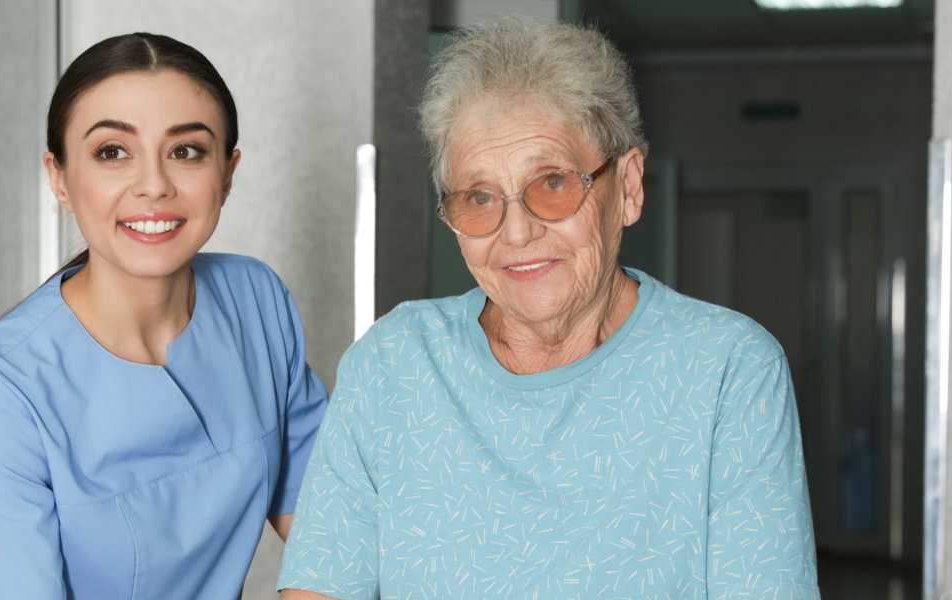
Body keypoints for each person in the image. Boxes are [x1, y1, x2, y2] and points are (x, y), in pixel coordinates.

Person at [278, 19, 819, 599]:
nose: (516, 232)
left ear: (629, 186)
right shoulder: (392, 364)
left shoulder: (729, 370)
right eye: (480, 198)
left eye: (553, 183)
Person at [0, 32, 328, 599]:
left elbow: (330, 529)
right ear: (59, 177)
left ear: (227, 173)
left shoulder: (256, 301)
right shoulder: (0, 392)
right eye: (112, 152)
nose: (153, 185)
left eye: (186, 151)